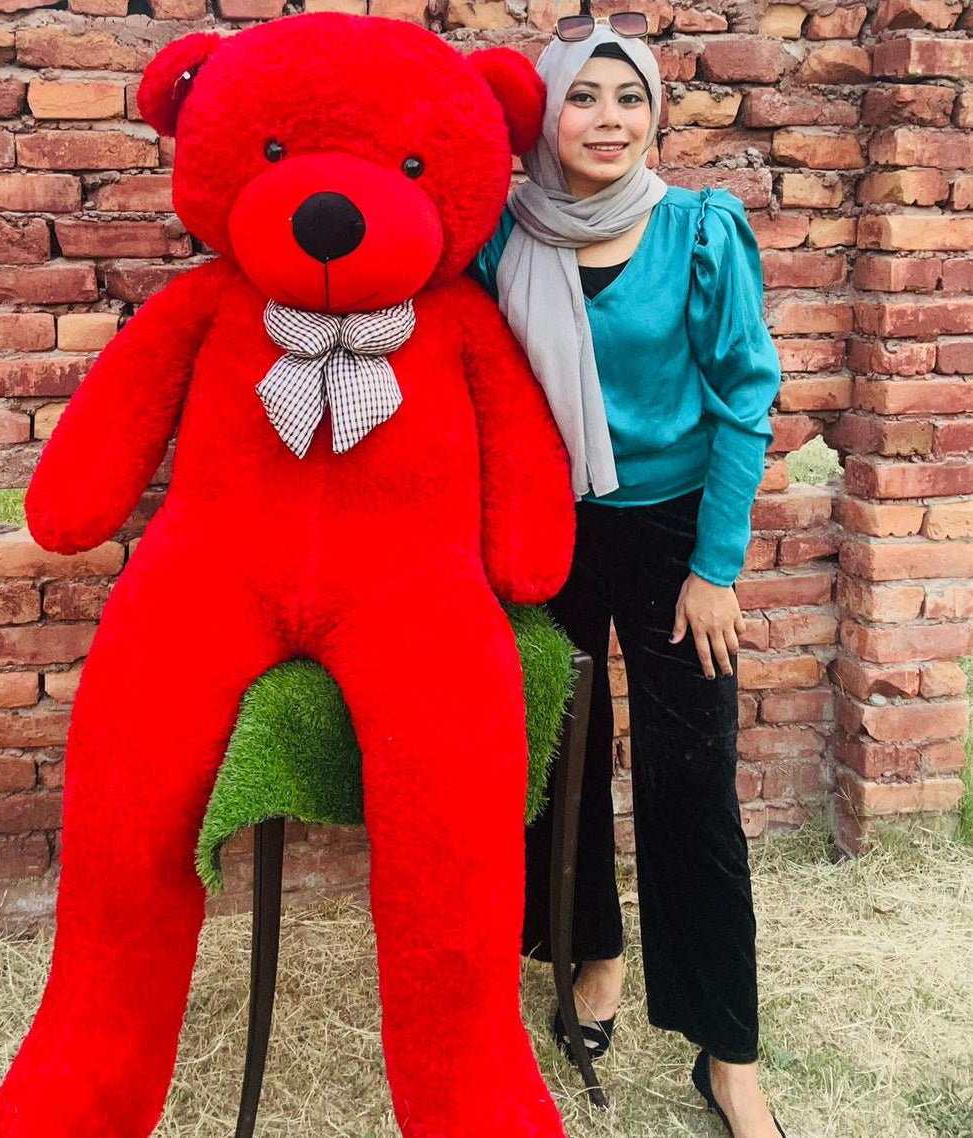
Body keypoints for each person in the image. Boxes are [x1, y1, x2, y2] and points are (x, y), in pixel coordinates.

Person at [472, 13, 786, 1138]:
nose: (607, 120)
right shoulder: (501, 241)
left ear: (656, 114)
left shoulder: (697, 230)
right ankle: (590, 950)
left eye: (628, 99)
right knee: (552, 756)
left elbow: (746, 397)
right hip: (545, 532)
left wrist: (714, 568)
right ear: (546, 115)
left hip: (671, 533)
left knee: (690, 781)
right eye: (582, 98)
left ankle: (727, 1049)